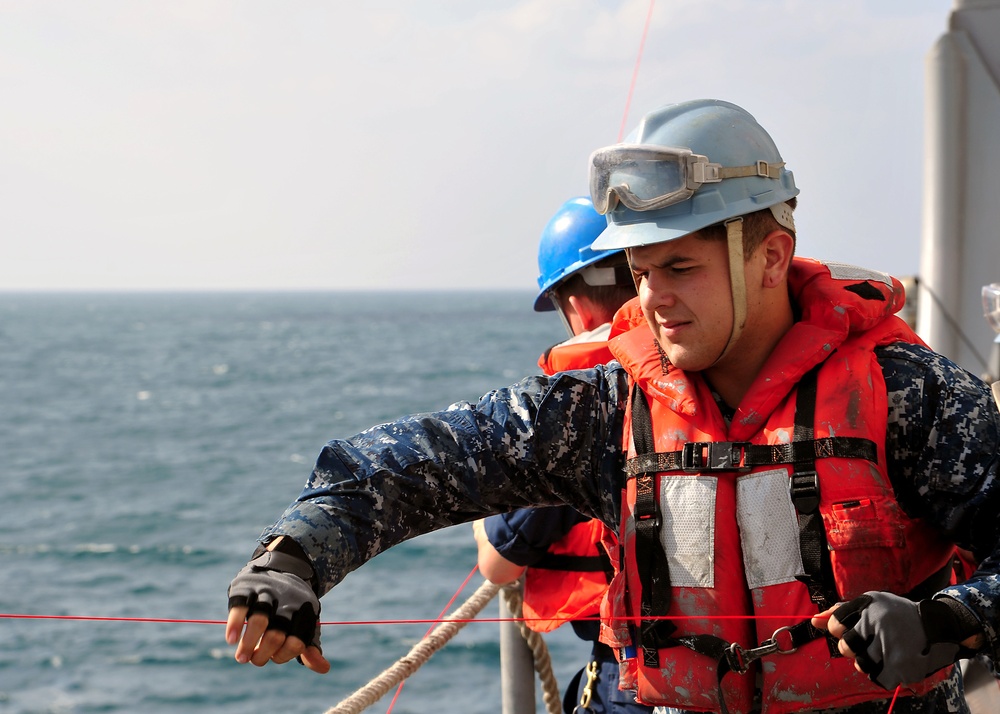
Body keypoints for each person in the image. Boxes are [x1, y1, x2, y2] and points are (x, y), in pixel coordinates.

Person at [225, 99, 1000, 714]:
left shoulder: (908, 397)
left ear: (769, 256)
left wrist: (949, 621)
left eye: (680, 268)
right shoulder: (603, 410)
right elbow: (407, 466)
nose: (652, 299)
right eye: (638, 270)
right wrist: (294, 557)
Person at [471, 195, 651, 714]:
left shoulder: (580, 408)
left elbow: (498, 564)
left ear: (574, 305)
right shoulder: (698, 381)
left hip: (634, 675)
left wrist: (482, 518)